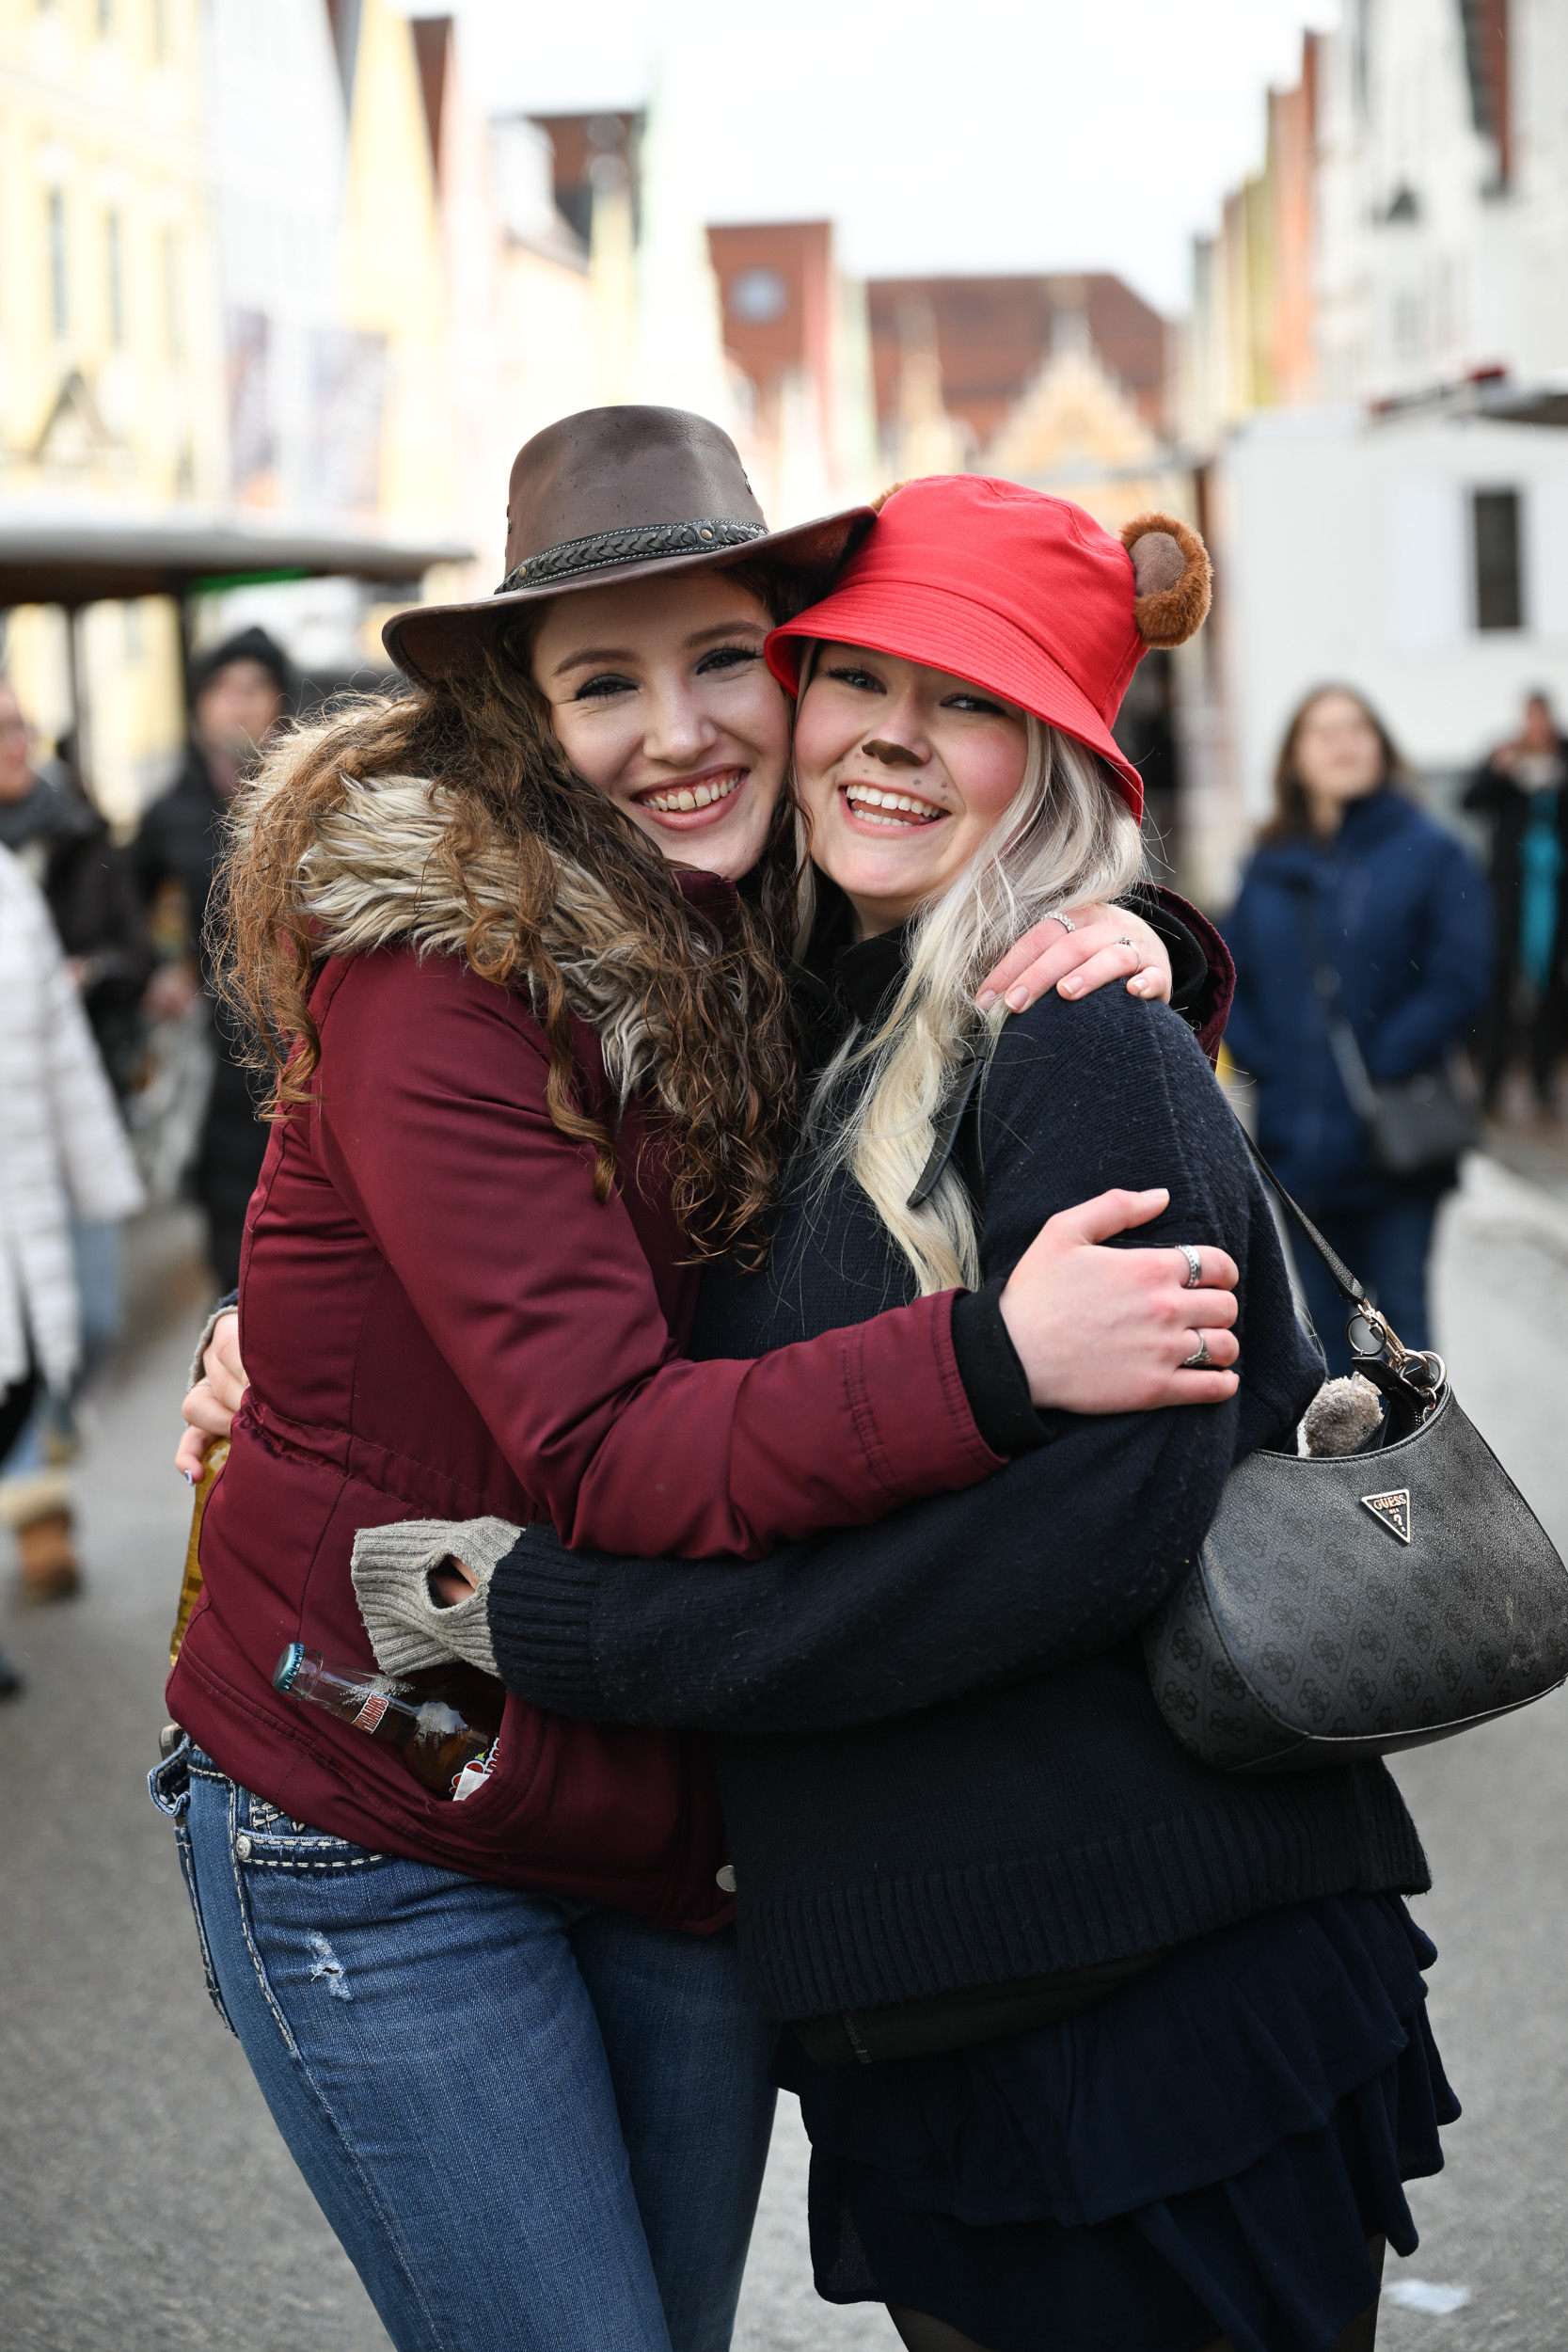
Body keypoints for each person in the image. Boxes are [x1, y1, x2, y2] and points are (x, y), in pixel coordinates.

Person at [159, 409, 1241, 2352]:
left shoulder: (743, 914)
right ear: (523, 712)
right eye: (603, 682)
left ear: (786, 663)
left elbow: (946, 942)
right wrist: (995, 1357)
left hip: (663, 1808)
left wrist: (1128, 930)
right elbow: (602, 1446)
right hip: (383, 1781)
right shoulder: (441, 976)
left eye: (721, 657)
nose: (678, 731)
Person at [361, 481, 1458, 2352]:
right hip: (917, 2020)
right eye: (853, 677)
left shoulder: (1078, 1029)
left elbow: (1096, 1533)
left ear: (1054, 760)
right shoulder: (783, 1025)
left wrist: (576, 1632)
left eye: (963, 699)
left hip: (1153, 1998)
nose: (886, 734)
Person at [1225, 686, 1490, 1377]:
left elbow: (1462, 976)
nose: (1343, 742)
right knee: (1325, 1343)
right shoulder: (1267, 865)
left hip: (1393, 1137)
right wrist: (1266, 1059)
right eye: (1322, 731)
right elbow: (1232, 976)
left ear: (1381, 745)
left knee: (1402, 1329)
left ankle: (1423, 1450)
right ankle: (1355, 1455)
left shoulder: (1429, 851)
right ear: (1294, 758)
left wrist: (1387, 1056)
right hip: (1297, 1144)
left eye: (1357, 728)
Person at [0, 841, 145, 1613]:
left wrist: (101, 1179)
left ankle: (39, 1465)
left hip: (34, 1173)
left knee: (81, 1330)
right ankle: (35, 1511)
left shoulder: (11, 887)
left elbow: (63, 1048)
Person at [133, 627, 290, 1290]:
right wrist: (156, 969)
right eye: (223, 689)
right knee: (236, 1244)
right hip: (217, 1056)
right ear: (199, 704)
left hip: (307, 1042)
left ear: (279, 702)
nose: (238, 703)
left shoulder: (312, 797)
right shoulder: (170, 813)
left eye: (254, 687)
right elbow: (125, 902)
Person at [0, 677, 154, 1096]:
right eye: (1, 731)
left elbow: (137, 957)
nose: (16, 745)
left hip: (86, 1069)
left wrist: (87, 972)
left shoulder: (80, 833)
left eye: (21, 727)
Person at [1463, 689, 1568, 1112]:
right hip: (1510, 894)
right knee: (1500, 988)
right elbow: (1469, 801)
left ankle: (1543, 1081)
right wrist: (1498, 771)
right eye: (1530, 718)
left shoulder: (1564, 755)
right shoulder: (1504, 755)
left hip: (1555, 895)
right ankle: (1491, 1085)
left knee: (1552, 990)